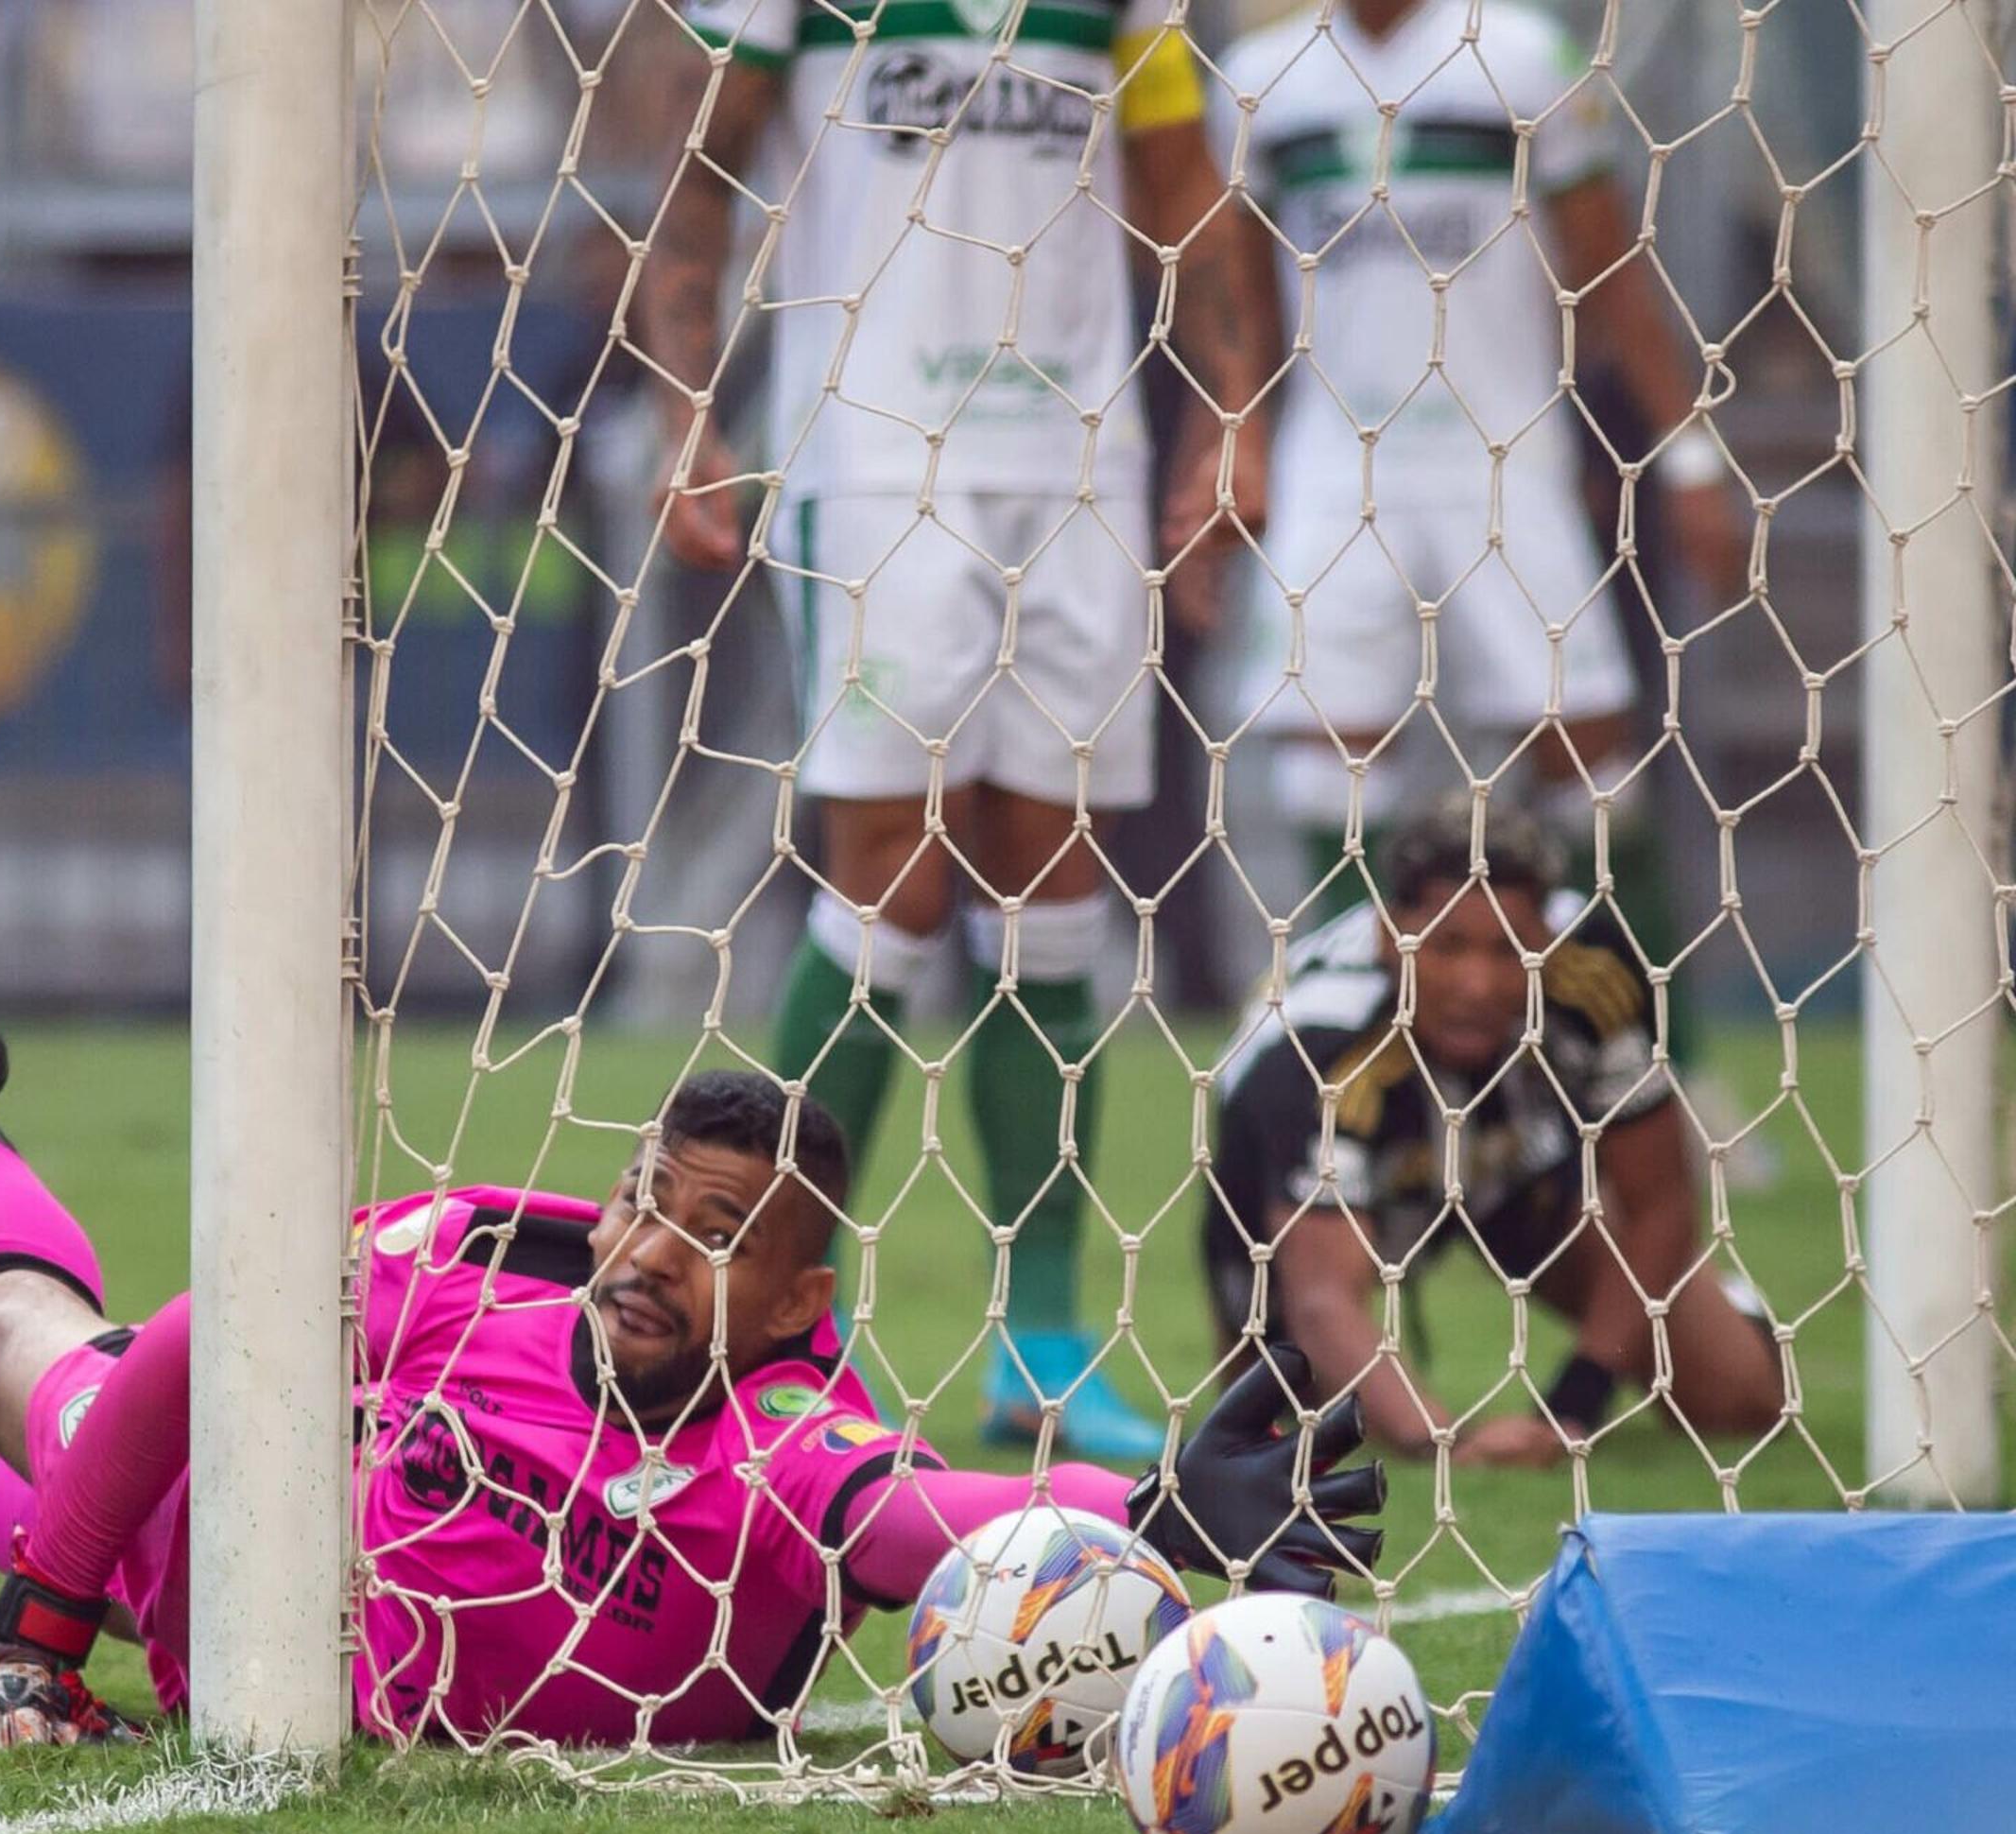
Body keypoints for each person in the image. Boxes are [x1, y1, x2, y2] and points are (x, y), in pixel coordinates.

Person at [0, 964, 1385, 1747]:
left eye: (711, 1236)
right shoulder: (475, 1283)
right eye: (642, 1204)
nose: (643, 1250)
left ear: (797, 1305)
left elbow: (934, 1520)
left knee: (65, 1455)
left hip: (268, 1636)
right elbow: (201, 1342)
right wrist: (33, 1642)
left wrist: (1156, 1503)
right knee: (13, 1341)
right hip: (245, 1546)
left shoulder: (778, 1452)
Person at [641, 1, 1284, 1462]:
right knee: (892, 871)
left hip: (1076, 453)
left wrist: (1231, 416)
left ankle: (1042, 1346)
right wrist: (689, 406)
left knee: (1053, 878)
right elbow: (702, 173)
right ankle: (792, 1315)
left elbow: (1184, 186)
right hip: (869, 452)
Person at [1217, 0, 1738, 916]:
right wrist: (1239, 442)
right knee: (1322, 754)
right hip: (1336, 461)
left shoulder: (1526, 55)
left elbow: (1611, 268)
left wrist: (1687, 457)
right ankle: (1357, 1031)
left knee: (1587, 746)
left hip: (1502, 452)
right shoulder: (1263, 80)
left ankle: (1644, 1039)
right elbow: (1249, 298)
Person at [1200, 798, 1783, 1468]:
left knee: (1740, 1401)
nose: (1477, 984)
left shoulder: (1595, 975)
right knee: (1271, 1432)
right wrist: (1447, 1446)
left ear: (1544, 938)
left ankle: (1732, 1308)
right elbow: (1322, 1297)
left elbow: (1659, 1204)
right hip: (1308, 1198)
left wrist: (1571, 1409)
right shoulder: (1315, 1040)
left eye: (1509, 951)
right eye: (1448, 946)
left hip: (1508, 1162)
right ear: (1393, 938)